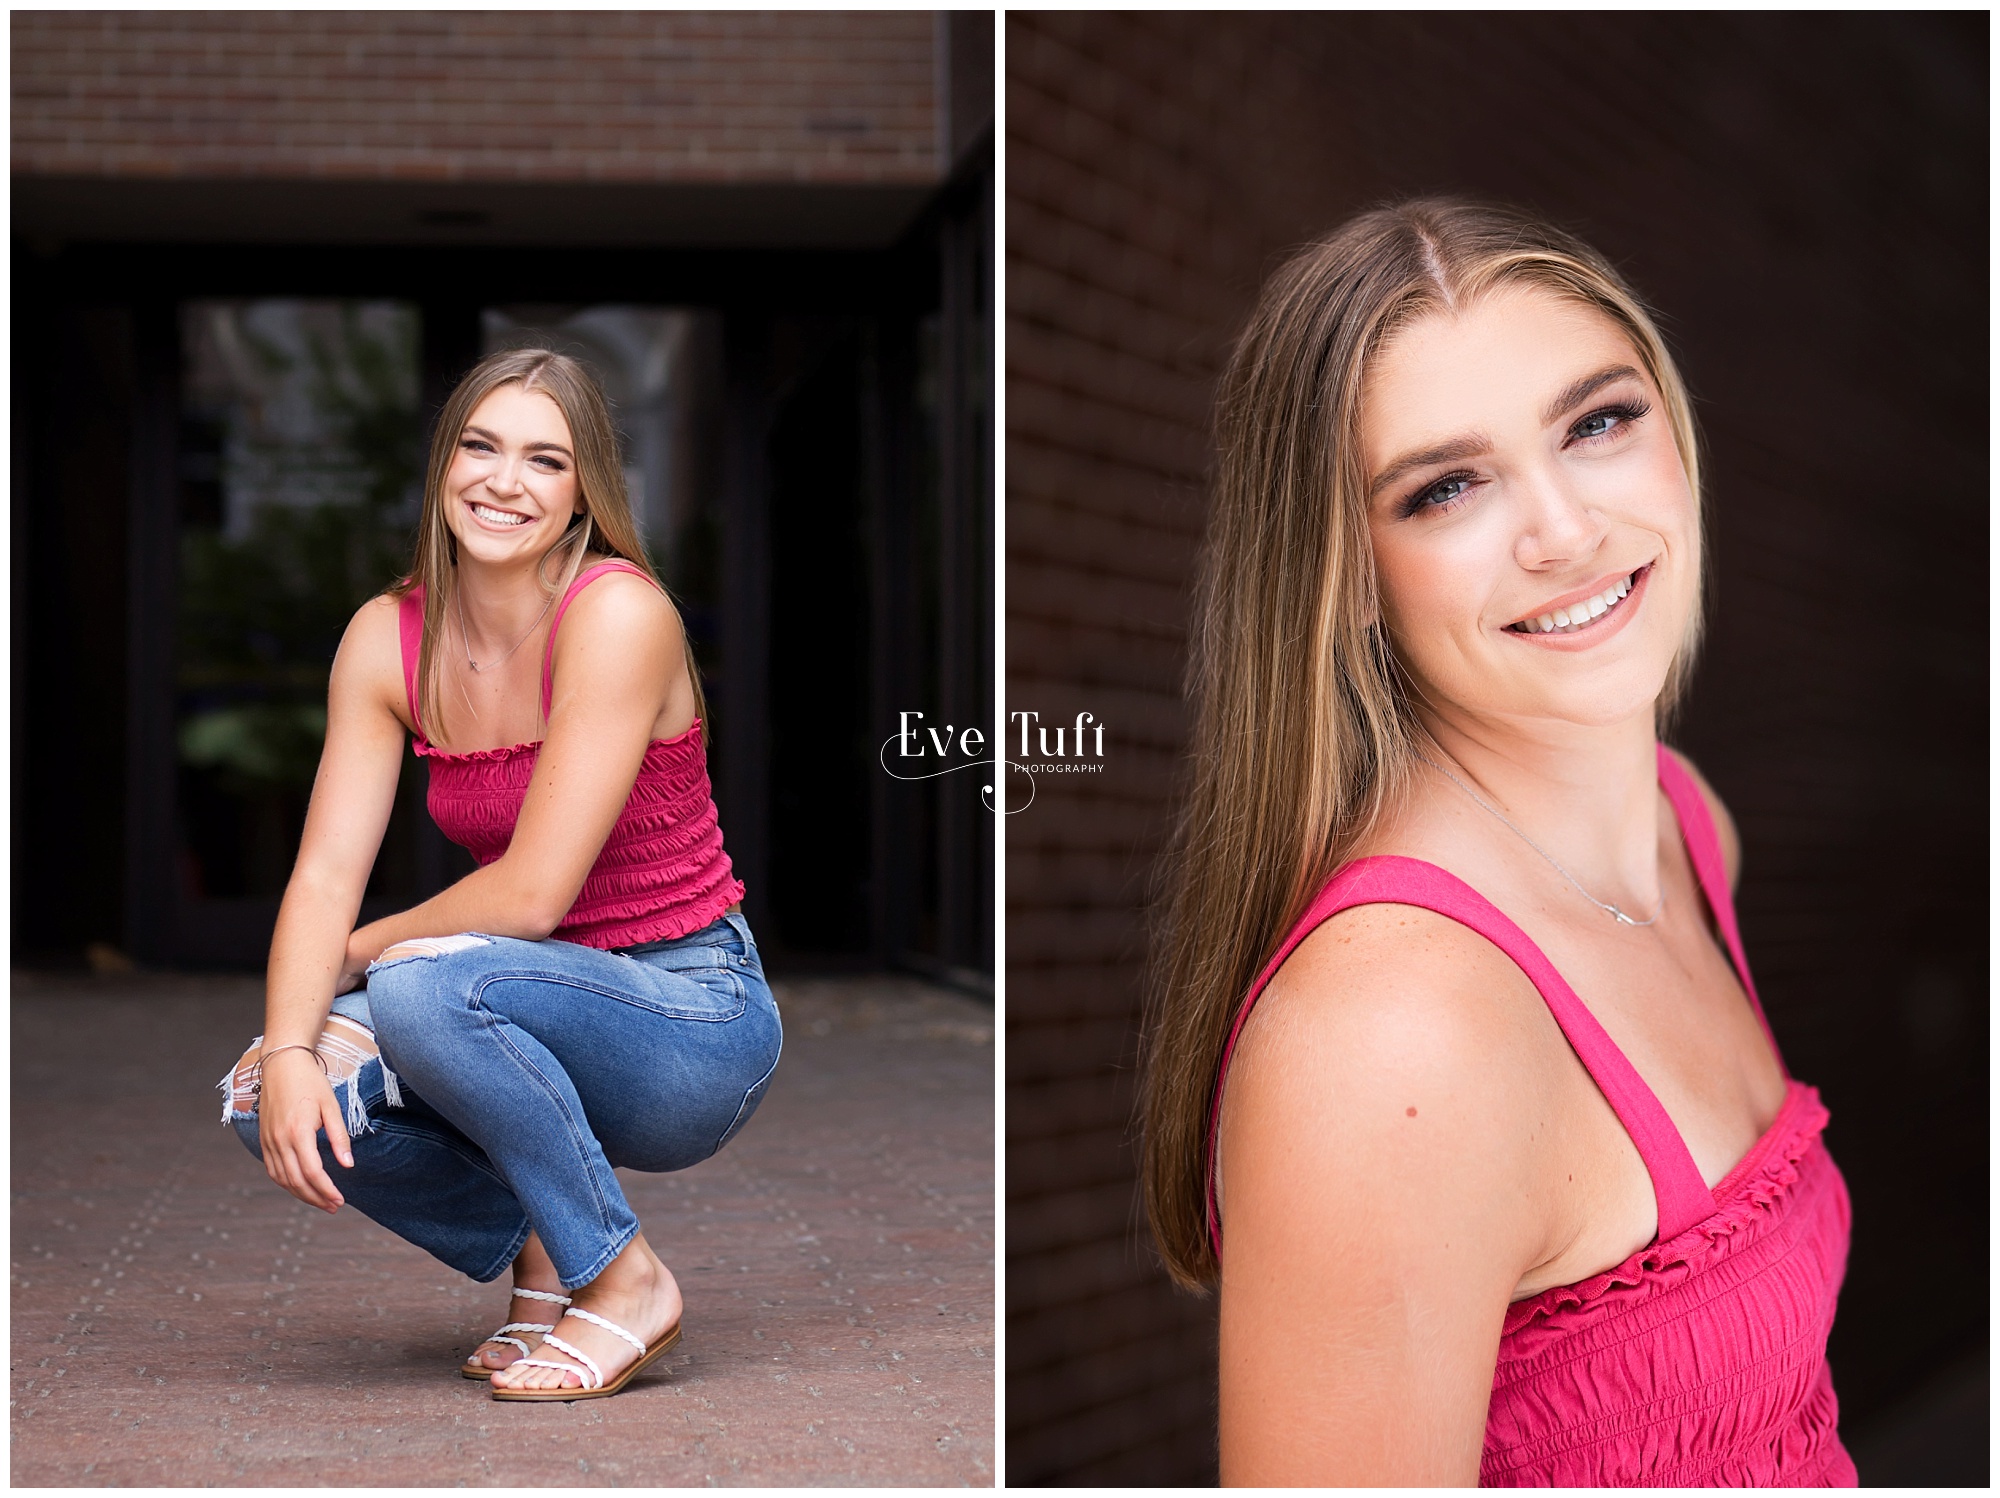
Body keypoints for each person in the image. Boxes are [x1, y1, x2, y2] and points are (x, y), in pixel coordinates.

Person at [1139, 200, 1854, 1484]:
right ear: (1343, 573)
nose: (1563, 531)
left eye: (1597, 421)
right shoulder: (1393, 1028)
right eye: (1446, 486)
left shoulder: (1687, 829)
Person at [220, 347, 780, 1402]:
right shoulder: (385, 640)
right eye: (479, 446)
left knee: (420, 985)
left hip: (690, 1017)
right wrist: (294, 1040)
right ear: (442, 465)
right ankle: (546, 1245)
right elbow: (324, 870)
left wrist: (352, 959)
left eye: (544, 460)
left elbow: (531, 896)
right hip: (506, 993)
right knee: (265, 1092)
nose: (502, 481)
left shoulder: (618, 613)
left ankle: (622, 1280)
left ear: (583, 495)